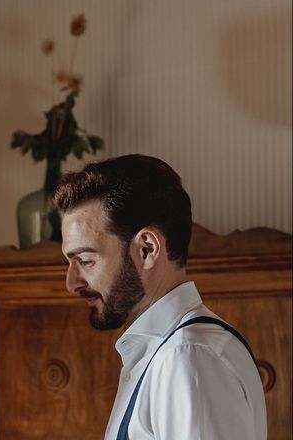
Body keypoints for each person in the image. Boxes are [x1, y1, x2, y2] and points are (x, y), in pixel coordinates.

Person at [52, 154, 266, 440]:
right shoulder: (168, 352)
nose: (71, 283)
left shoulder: (186, 357)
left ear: (147, 249)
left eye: (86, 260)